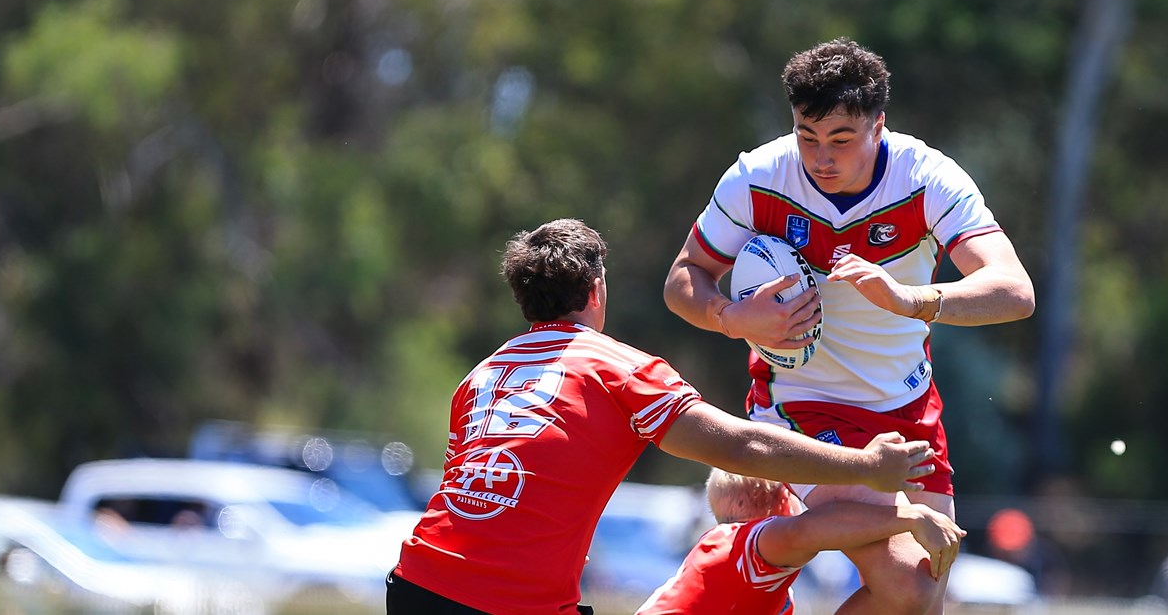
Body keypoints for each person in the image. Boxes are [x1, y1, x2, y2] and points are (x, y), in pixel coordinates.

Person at [391, 218, 939, 615]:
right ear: (596, 290)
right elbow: (743, 446)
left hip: (416, 580)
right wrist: (864, 465)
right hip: (512, 603)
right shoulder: (617, 368)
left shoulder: (481, 376)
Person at [663, 38, 1036, 613]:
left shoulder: (925, 178)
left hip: (907, 407)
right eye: (807, 137)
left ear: (879, 124)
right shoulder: (759, 177)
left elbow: (1014, 291)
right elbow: (685, 277)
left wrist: (910, 299)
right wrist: (731, 317)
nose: (821, 158)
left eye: (841, 138)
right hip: (802, 407)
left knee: (923, 594)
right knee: (907, 581)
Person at [637, 469, 965, 615]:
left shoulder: (728, 558)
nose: (806, 503)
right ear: (778, 502)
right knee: (908, 592)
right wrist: (912, 517)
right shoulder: (742, 545)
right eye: (798, 495)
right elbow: (807, 531)